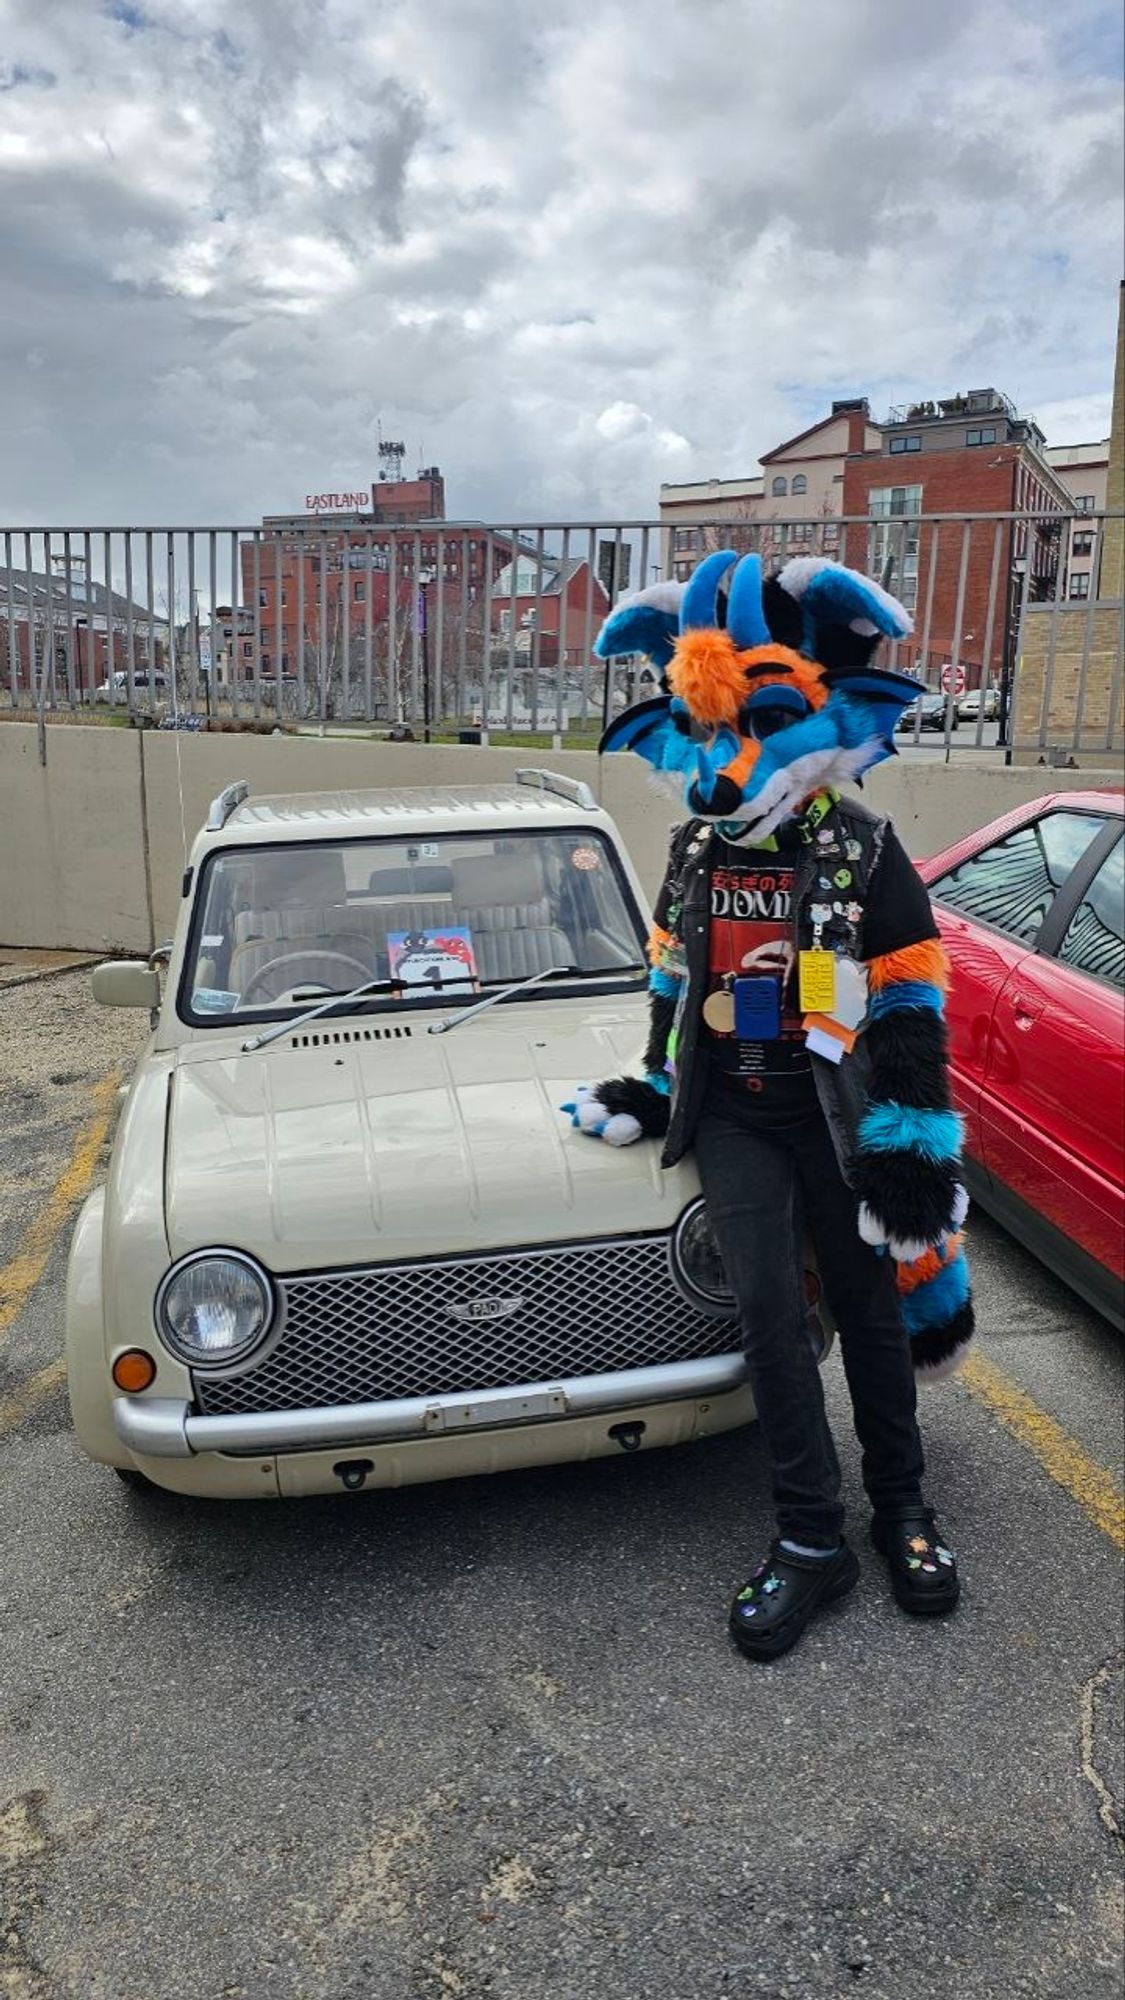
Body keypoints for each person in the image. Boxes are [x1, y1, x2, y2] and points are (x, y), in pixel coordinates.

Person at [566, 552, 972, 1662]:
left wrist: (910, 1147)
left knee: (871, 1307)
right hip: (737, 1113)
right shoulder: (696, 847)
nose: (723, 773)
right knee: (771, 1324)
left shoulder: (864, 848)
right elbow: (668, 971)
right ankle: (809, 1535)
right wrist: (653, 1080)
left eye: (761, 726)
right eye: (710, 738)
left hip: (836, 1114)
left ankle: (901, 1508)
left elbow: (908, 1001)